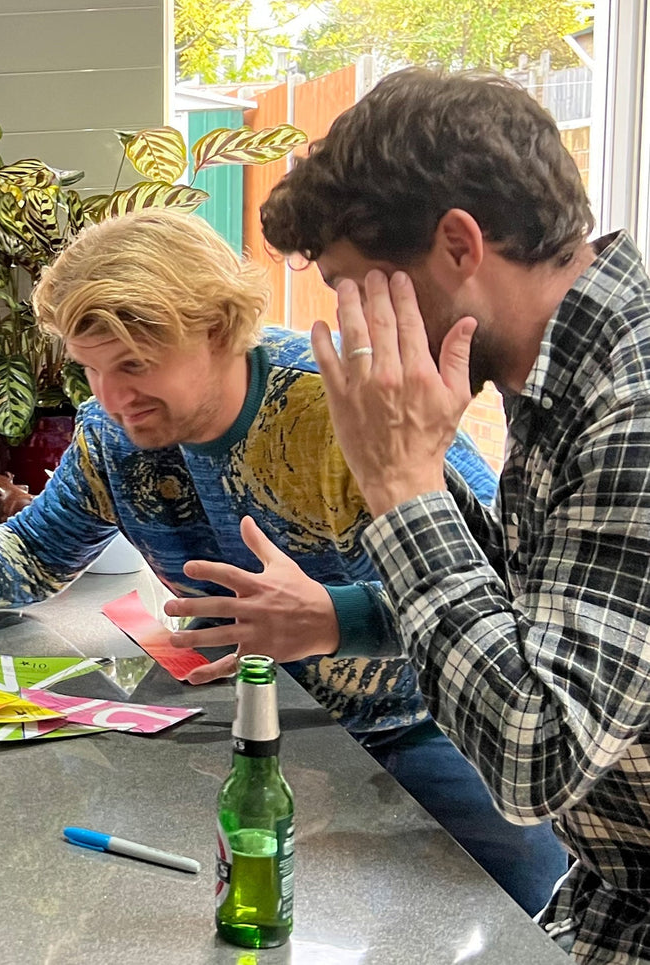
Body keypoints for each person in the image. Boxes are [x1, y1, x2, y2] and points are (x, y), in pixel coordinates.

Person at [0, 207, 567, 915]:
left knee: (526, 912)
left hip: (420, 724)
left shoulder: (342, 404)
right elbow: (33, 553)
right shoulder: (112, 434)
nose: (110, 396)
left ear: (221, 329)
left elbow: (508, 586)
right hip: (258, 727)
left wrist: (333, 617)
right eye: (92, 369)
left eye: (134, 363)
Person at [258, 68, 650, 961]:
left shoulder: (635, 403)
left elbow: (534, 751)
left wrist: (404, 488)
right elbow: (537, 606)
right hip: (603, 898)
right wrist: (413, 479)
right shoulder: (562, 381)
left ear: (458, 245)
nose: (350, 326)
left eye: (356, 290)